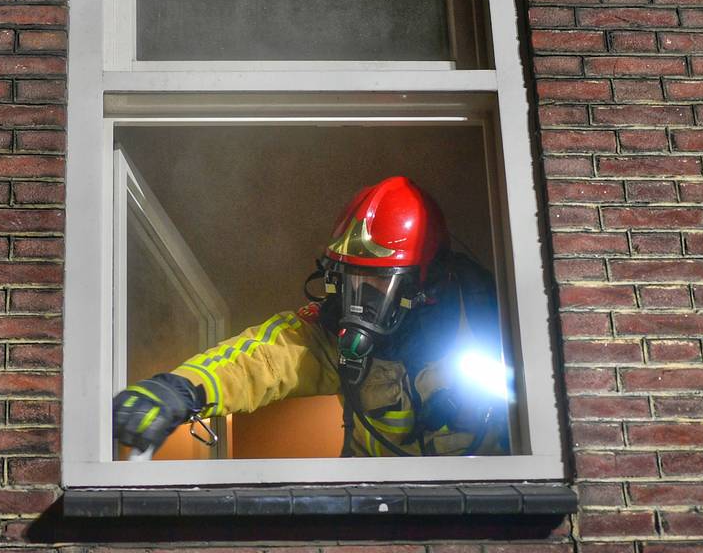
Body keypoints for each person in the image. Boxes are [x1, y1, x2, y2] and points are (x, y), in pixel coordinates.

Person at [113, 175, 511, 458]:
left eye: (377, 283)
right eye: (350, 281)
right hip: (378, 516)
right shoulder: (334, 335)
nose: (358, 302)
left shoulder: (492, 325)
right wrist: (181, 389)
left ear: (429, 284)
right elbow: (265, 357)